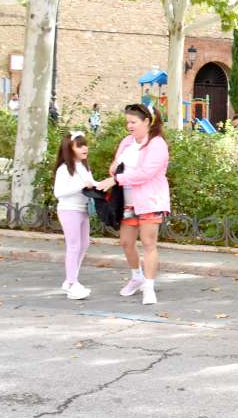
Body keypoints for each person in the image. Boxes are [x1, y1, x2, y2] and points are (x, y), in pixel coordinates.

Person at [95, 103, 170, 306]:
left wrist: (117, 179)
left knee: (148, 244)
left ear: (147, 121)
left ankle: (149, 286)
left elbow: (146, 173)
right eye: (127, 122)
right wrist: (114, 172)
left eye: (133, 122)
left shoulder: (157, 144)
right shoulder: (127, 142)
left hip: (150, 201)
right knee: (126, 243)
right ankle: (136, 276)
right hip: (127, 202)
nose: (129, 126)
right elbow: (115, 167)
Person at [53, 131, 97, 300]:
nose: (85, 148)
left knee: (84, 244)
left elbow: (90, 183)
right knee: (74, 246)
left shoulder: (84, 167)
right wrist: (80, 186)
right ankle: (72, 283)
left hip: (83, 209)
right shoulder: (64, 169)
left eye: (85, 144)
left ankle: (71, 279)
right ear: (69, 149)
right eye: (79, 145)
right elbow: (59, 192)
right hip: (68, 210)